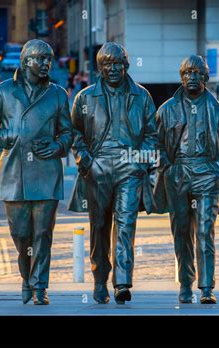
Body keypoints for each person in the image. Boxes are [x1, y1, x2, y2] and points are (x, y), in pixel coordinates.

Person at [0, 39, 73, 305]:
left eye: (49, 59)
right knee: (21, 235)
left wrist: (56, 146)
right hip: (14, 173)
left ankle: (39, 286)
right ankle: (26, 276)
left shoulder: (57, 94)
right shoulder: (3, 91)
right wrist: (9, 136)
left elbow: (68, 133)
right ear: (26, 61)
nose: (46, 64)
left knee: (43, 233)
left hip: (46, 173)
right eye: (40, 59)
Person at [68, 42, 157, 304]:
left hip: (130, 168)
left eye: (118, 64)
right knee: (99, 227)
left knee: (126, 225)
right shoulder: (84, 98)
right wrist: (86, 161)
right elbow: (74, 133)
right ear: (100, 68)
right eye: (107, 65)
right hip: (97, 168)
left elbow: (153, 135)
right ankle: (99, 279)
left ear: (126, 66)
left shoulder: (142, 97)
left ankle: (121, 282)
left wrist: (139, 162)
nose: (113, 69)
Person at [154, 55, 219, 304]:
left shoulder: (216, 109)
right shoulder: (167, 109)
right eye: (187, 73)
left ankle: (207, 287)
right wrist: (168, 166)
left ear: (205, 77)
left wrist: (217, 169)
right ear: (181, 77)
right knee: (181, 233)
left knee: (204, 232)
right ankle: (185, 284)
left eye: (197, 73)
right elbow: (156, 144)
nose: (192, 77)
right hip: (178, 174)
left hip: (207, 175)